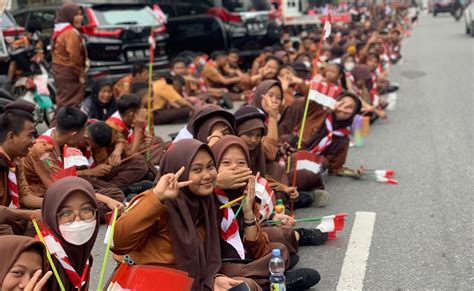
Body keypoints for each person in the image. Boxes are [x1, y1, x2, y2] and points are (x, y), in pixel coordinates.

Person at [113, 139, 255, 290]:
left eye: (210, 166)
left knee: (246, 286)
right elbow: (119, 242)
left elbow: (205, 260)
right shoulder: (158, 202)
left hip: (187, 284)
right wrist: (156, 197)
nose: (207, 175)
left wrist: (214, 278)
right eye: (197, 169)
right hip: (149, 284)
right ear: (179, 172)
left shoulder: (204, 203)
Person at [212, 136, 321, 290]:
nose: (234, 168)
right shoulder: (205, 197)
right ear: (214, 167)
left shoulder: (245, 193)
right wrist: (213, 183)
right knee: (234, 272)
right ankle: (272, 283)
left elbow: (258, 250)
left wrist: (248, 212)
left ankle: (270, 279)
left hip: (242, 257)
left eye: (241, 163)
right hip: (217, 263)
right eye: (226, 163)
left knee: (279, 250)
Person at [23, 107, 124, 222]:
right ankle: (78, 216)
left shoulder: (58, 137)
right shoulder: (43, 150)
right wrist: (105, 200)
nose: (85, 135)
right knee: (110, 200)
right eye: (83, 132)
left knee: (114, 194)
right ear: (74, 135)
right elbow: (61, 189)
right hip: (50, 197)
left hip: (67, 187)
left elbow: (118, 136)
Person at [41, 177, 100, 291]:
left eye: (86, 210)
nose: (77, 219)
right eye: (66, 212)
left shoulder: (85, 255)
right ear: (51, 216)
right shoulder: (42, 260)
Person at [0, 101, 43, 236]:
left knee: (51, 220)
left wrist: (54, 203)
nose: (34, 141)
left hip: (11, 216)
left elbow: (24, 196)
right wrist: (30, 214)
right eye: (30, 135)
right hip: (4, 220)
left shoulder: (16, 160)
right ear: (11, 136)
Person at [52, 2, 87, 108]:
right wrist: (80, 74)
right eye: (76, 15)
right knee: (70, 105)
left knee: (63, 104)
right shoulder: (70, 33)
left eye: (81, 14)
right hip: (69, 73)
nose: (80, 18)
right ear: (69, 16)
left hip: (61, 71)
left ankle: (57, 124)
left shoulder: (62, 30)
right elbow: (75, 57)